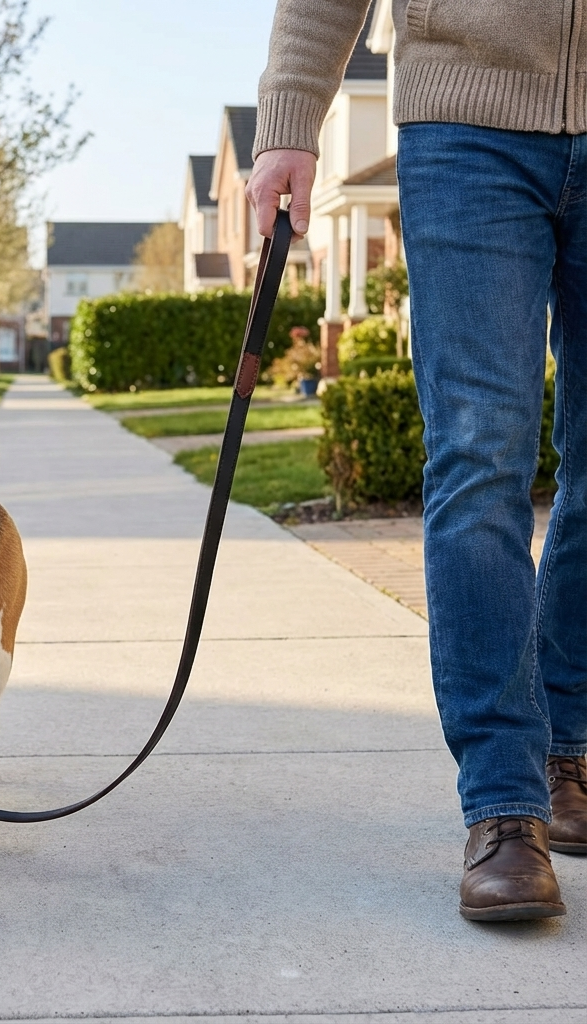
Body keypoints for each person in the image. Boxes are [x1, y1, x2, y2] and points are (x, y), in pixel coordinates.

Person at [246, 0, 585, 922]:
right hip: (466, 120)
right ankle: (505, 808)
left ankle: (567, 751)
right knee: (480, 457)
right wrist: (289, 120)